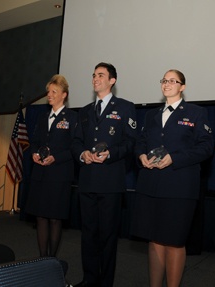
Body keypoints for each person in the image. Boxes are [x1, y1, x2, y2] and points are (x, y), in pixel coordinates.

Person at [131, 69, 214, 287]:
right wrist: (140, 155)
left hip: (179, 187)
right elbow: (140, 141)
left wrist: (173, 159)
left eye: (172, 80)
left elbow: (206, 147)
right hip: (151, 185)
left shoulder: (196, 113)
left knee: (174, 241)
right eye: (164, 80)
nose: (167, 84)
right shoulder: (151, 115)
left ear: (182, 87)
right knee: (154, 239)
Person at [71, 62, 137, 287]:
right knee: (88, 235)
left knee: (108, 237)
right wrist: (82, 154)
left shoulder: (126, 108)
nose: (95, 78)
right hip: (87, 181)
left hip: (110, 182)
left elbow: (130, 143)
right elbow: (76, 141)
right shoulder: (85, 111)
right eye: (93, 75)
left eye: (101, 75)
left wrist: (110, 153)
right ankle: (89, 279)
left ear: (112, 80)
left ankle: (105, 282)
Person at [25, 74, 77, 258]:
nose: (50, 95)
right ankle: (42, 259)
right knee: (40, 217)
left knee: (55, 218)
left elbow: (74, 147)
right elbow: (35, 141)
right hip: (40, 173)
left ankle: (51, 260)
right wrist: (34, 153)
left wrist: (56, 157)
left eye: (54, 91)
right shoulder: (42, 116)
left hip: (59, 175)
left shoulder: (72, 117)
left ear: (64, 94)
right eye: (49, 91)